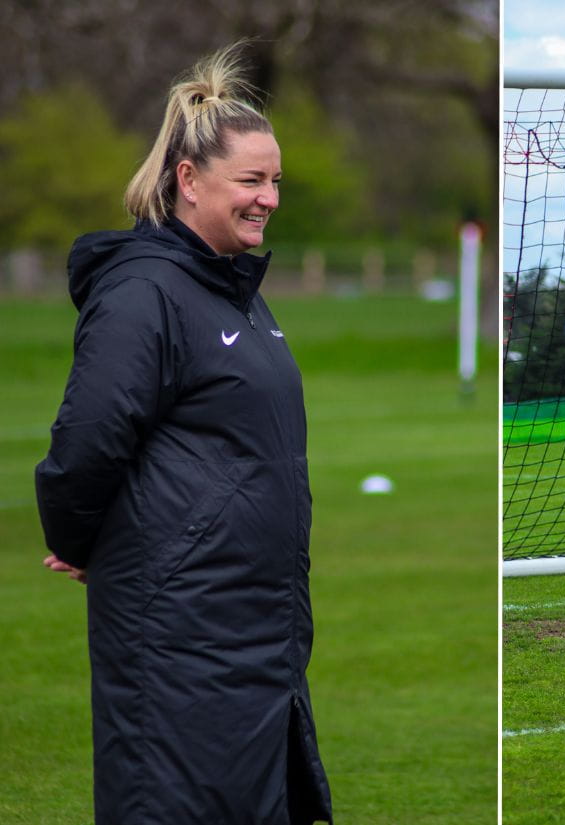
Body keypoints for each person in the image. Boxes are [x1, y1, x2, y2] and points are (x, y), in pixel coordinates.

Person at [33, 44, 332, 824]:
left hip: (255, 634)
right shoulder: (142, 292)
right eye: (250, 180)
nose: (268, 198)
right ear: (189, 180)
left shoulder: (239, 294)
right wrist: (84, 540)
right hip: (176, 638)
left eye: (275, 182)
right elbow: (86, 443)